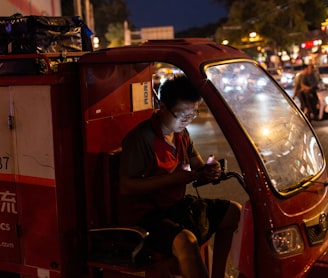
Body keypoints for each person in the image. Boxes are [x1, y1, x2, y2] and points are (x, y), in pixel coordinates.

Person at [119, 74, 241, 278]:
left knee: (233, 212)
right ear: (163, 107)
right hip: (146, 215)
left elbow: (197, 165)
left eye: (193, 114)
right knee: (187, 241)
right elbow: (126, 187)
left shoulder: (181, 134)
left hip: (175, 206)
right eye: (182, 114)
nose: (187, 120)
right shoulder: (142, 138)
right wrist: (172, 180)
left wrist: (209, 171)